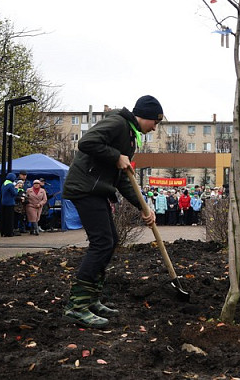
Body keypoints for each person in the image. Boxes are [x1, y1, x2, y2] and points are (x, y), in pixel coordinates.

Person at [62, 95, 160, 328]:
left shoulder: (130, 137)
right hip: (85, 188)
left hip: (97, 190)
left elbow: (123, 180)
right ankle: (77, 306)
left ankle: (91, 299)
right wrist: (116, 156)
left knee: (110, 240)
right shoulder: (118, 122)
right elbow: (86, 142)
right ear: (143, 115)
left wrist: (143, 207)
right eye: (155, 121)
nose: (155, 127)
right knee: (102, 243)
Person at [0, 173, 20, 237]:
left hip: (3, 202)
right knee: (10, 219)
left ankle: (3, 231)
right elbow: (14, 193)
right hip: (10, 203)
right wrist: (16, 188)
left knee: (4, 218)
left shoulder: (4, 183)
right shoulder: (11, 185)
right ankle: (9, 232)